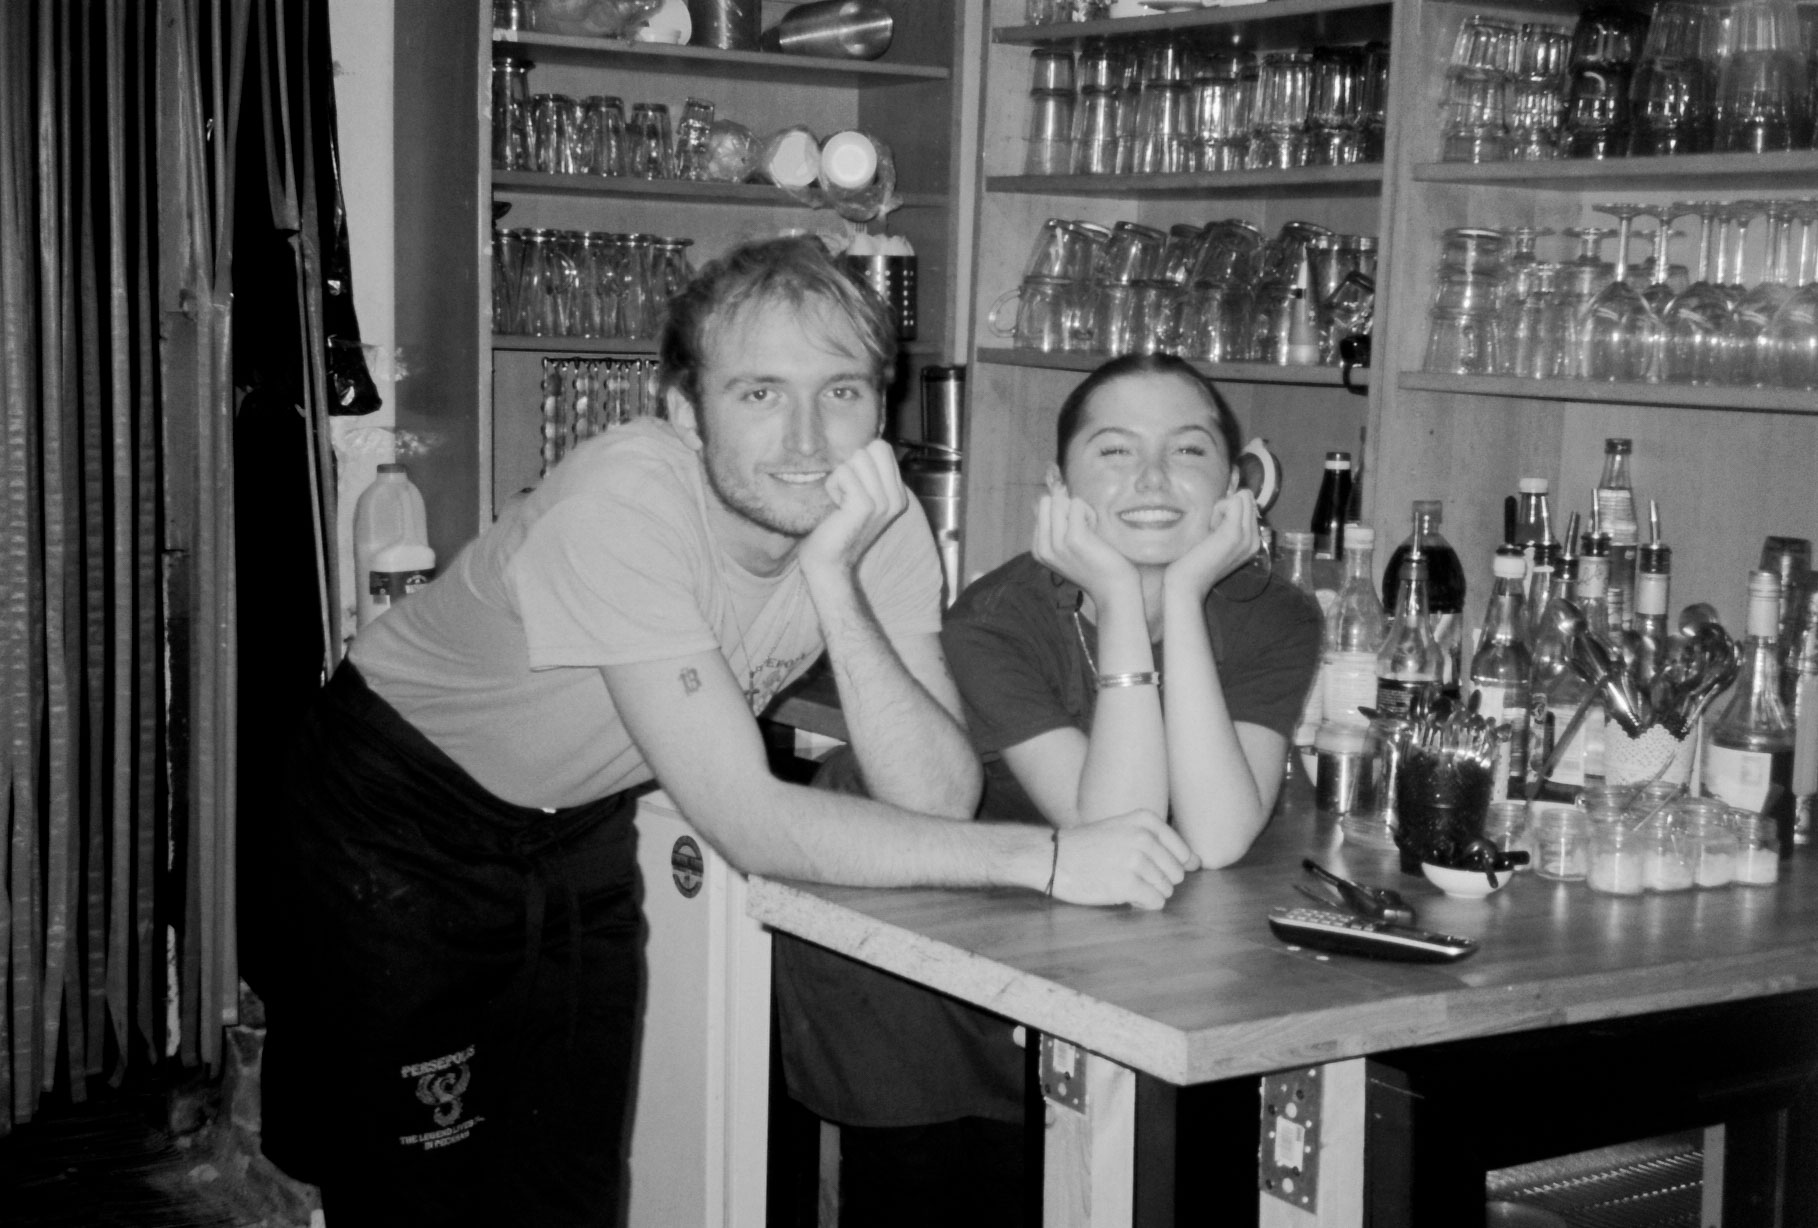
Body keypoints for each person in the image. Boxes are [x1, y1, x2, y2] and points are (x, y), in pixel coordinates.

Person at [253, 238, 1197, 1228]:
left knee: (568, 1188)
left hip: (572, 826)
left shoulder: (880, 524)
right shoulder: (622, 502)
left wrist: (835, 579)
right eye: (757, 393)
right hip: (391, 811)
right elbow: (745, 820)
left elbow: (934, 793)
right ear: (681, 409)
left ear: (882, 407)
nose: (805, 439)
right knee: (418, 1190)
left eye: (840, 392)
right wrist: (1051, 858)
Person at [773, 352, 1323, 1226]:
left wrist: (1179, 594)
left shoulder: (1274, 613)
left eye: (1188, 451)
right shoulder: (999, 619)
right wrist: (1114, 585)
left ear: (1237, 481)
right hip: (924, 918)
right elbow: (1119, 822)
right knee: (938, 1191)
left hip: (1085, 933)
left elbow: (1216, 836)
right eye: (1113, 452)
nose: (1152, 478)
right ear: (1056, 484)